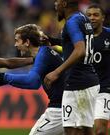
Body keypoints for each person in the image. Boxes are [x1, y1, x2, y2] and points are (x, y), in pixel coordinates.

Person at [0, 24, 65, 135]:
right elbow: (34, 83)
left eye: (17, 41)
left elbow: (32, 81)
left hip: (59, 109)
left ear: (27, 42)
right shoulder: (45, 53)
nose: (15, 45)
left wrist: (4, 77)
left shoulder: (43, 54)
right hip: (65, 106)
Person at [43, 0, 100, 134]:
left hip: (77, 84)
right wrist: (53, 41)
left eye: (57, 1)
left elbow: (80, 50)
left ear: (64, 3)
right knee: (87, 131)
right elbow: (74, 47)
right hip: (89, 82)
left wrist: (56, 72)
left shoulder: (71, 22)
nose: (55, 5)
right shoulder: (82, 18)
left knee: (71, 131)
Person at [86, 4, 110, 135]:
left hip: (104, 89)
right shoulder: (80, 37)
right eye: (89, 15)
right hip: (84, 90)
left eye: (96, 15)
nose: (92, 18)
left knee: (100, 130)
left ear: (103, 18)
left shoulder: (108, 35)